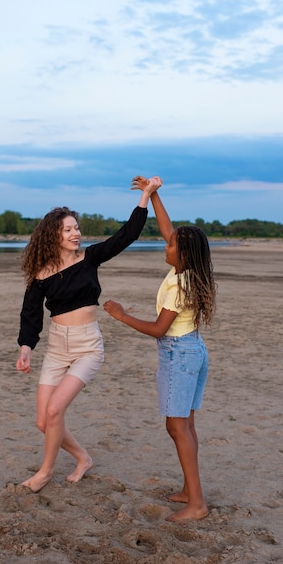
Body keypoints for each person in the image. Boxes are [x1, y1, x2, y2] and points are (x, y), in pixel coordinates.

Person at [15, 177, 162, 492]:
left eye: (76, 228)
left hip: (87, 347)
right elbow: (30, 314)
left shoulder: (90, 257)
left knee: (55, 411)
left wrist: (146, 197)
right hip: (56, 349)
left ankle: (45, 472)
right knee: (44, 421)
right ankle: (83, 457)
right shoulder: (40, 273)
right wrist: (26, 348)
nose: (75, 233)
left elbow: (126, 235)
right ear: (53, 234)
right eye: (68, 229)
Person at [103, 176, 216, 522]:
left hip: (179, 355)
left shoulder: (179, 285)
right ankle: (189, 490)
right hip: (193, 351)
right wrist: (153, 196)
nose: (165, 246)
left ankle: (196, 504)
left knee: (177, 427)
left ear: (182, 255)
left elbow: (157, 330)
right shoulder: (190, 269)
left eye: (170, 246)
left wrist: (122, 316)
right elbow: (170, 230)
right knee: (185, 425)